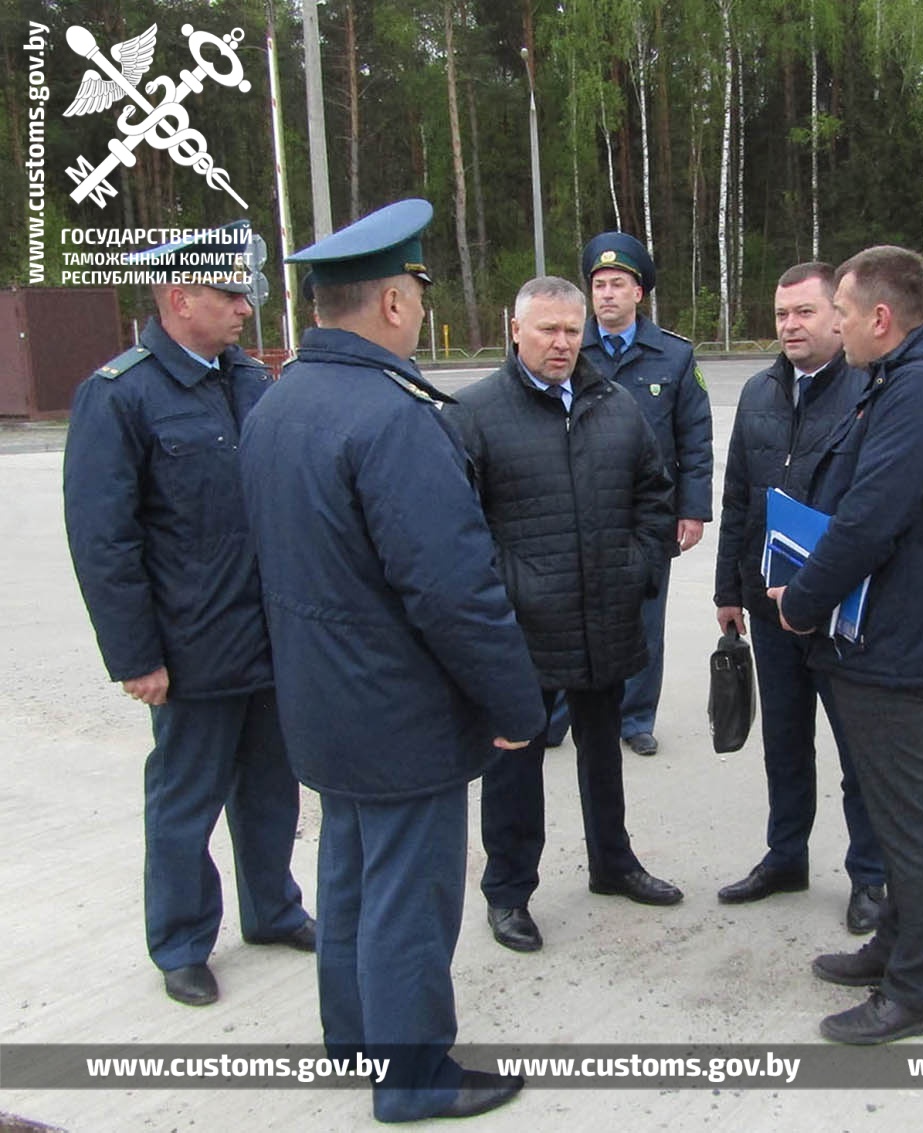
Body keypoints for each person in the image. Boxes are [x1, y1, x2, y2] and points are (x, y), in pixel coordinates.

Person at [241, 200, 544, 1122]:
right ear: (393, 304)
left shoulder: (278, 396)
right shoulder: (397, 415)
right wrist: (516, 703)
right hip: (400, 707)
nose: (417, 301)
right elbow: (453, 591)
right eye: (415, 287)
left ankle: (355, 1039)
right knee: (409, 897)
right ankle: (412, 1077)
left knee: (350, 871)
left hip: (322, 700)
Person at [63, 223, 313, 1009]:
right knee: (185, 800)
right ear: (180, 299)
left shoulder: (248, 379)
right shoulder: (121, 393)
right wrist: (136, 656)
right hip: (191, 649)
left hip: (269, 638)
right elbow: (105, 542)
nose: (246, 308)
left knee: (272, 790)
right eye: (231, 294)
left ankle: (272, 909)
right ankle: (180, 940)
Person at [771, 245, 923, 1045]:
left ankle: (918, 990)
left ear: (878, 317)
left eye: (838, 308)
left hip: (891, 639)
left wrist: (801, 602)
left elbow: (871, 517)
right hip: (879, 632)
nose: (829, 320)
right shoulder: (904, 382)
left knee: (907, 818)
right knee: (895, 805)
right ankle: (895, 945)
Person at [451, 276, 683, 948]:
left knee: (603, 753)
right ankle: (509, 891)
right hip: (522, 630)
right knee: (516, 763)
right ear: (514, 329)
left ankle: (613, 861)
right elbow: (460, 528)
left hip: (605, 615)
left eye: (570, 329)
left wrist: (638, 563)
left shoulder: (615, 403)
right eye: (546, 329)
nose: (560, 343)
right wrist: (510, 587)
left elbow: (653, 490)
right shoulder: (474, 414)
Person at [713, 262, 887, 935]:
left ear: (837, 317)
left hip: (842, 610)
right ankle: (786, 856)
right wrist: (730, 587)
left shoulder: (871, 392)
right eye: (782, 313)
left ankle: (868, 874)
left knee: (856, 749)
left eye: (805, 312)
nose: (790, 325)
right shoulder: (758, 392)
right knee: (785, 742)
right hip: (768, 605)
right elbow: (737, 496)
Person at [578, 232, 714, 757]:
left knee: (644, 616)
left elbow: (695, 438)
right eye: (599, 284)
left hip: (648, 512)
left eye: (618, 284)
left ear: (640, 293)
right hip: (581, 505)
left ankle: (635, 717)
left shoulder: (674, 356)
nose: (607, 294)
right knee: (571, 609)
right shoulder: (570, 348)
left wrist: (693, 509)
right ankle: (564, 711)